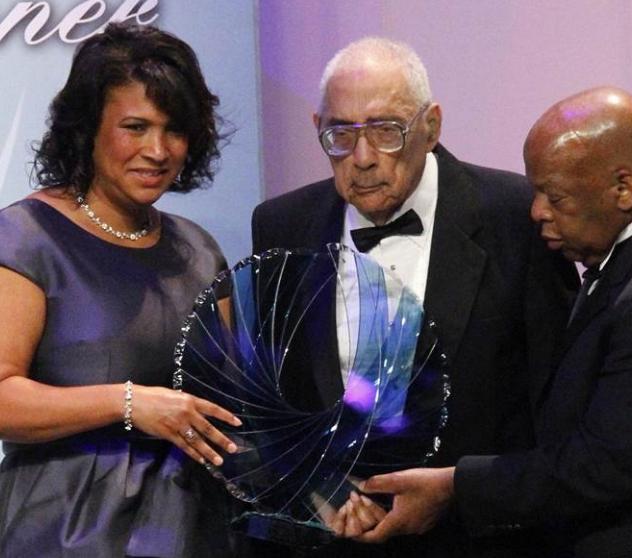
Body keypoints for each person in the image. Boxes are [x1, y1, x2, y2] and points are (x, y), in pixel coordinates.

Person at [351, 87, 632, 558]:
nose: (536, 211)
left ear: (624, 189)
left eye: (554, 196)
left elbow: (598, 469)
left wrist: (454, 485)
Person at [251, 37, 577, 557]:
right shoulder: (281, 224)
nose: (361, 158)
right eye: (340, 133)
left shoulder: (514, 216)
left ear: (431, 126)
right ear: (317, 129)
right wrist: (322, 488)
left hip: (482, 540)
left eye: (386, 131)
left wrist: (463, 494)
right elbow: (277, 398)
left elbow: (560, 404)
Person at [0, 23, 242, 557]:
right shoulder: (25, 238)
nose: (157, 150)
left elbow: (235, 404)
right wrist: (128, 404)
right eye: (135, 127)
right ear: (87, 128)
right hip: (66, 535)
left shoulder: (199, 251)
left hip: (200, 533)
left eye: (174, 130)